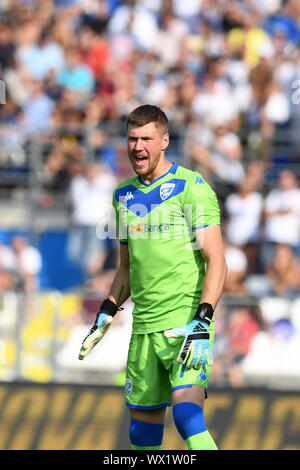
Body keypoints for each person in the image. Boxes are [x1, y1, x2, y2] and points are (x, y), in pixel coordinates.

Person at [78, 104, 227, 450]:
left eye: (147, 138)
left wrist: (203, 321)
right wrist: (106, 310)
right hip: (143, 329)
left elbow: (217, 261)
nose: (138, 146)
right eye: (132, 139)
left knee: (188, 417)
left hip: (186, 325)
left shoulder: (191, 186)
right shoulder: (122, 196)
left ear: (164, 141)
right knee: (141, 435)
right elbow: (127, 268)